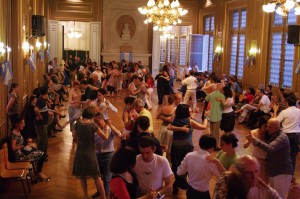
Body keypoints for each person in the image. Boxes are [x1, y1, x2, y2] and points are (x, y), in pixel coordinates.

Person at [246, 118, 293, 198]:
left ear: (277, 128)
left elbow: (270, 148)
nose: (267, 129)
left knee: (279, 196)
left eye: (270, 127)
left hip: (282, 171)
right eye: (267, 126)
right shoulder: (275, 135)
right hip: (275, 171)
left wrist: (255, 140)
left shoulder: (281, 138)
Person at [167, 104, 208, 195]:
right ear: (186, 113)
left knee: (177, 166)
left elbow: (169, 127)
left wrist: (179, 128)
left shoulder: (175, 119)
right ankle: (185, 186)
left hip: (176, 146)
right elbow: (203, 127)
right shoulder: (189, 121)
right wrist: (206, 118)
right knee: (187, 166)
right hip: (187, 146)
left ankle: (177, 185)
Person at [72, 106, 108, 199]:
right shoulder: (93, 126)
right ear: (92, 116)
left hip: (79, 153)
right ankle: (104, 197)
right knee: (97, 176)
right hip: (90, 153)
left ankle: (85, 196)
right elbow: (105, 137)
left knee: (82, 176)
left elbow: (74, 136)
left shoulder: (77, 124)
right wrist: (106, 128)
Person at [177, 134, 224, 199]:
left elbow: (179, 172)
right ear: (212, 148)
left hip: (190, 191)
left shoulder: (189, 155)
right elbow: (223, 177)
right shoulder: (211, 162)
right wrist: (217, 162)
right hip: (203, 194)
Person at [213, 155, 281, 199]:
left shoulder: (266, 191)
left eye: (256, 171)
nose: (254, 177)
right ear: (239, 173)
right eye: (248, 173)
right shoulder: (226, 184)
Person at [92, 113, 122, 198]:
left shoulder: (109, 128)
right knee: (97, 176)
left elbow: (119, 135)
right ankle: (100, 192)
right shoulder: (95, 129)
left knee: (107, 178)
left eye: (97, 121)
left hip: (109, 155)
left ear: (102, 119)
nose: (96, 123)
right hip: (97, 154)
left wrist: (110, 125)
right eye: (94, 122)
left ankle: (106, 195)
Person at [274, 92, 300, 173]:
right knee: (293, 155)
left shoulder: (285, 112)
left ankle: (281, 171)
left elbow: (275, 122)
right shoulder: (299, 111)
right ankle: (290, 174)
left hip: (286, 135)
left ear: (287, 102)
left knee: (282, 153)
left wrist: (275, 111)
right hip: (296, 136)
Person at [243, 116, 270, 183]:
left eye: (268, 126)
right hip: (256, 159)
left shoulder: (270, 133)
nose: (267, 128)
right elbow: (245, 146)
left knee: (266, 181)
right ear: (260, 125)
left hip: (267, 160)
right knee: (255, 180)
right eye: (265, 126)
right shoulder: (254, 132)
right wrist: (249, 141)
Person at [33, 86, 51, 181]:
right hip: (41, 126)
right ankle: (38, 171)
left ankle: (39, 169)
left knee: (44, 145)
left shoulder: (41, 99)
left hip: (42, 126)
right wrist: (39, 115)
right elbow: (36, 109)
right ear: (46, 92)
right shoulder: (40, 100)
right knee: (42, 146)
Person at [157, 95, 176, 161]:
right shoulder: (175, 109)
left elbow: (157, 116)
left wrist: (163, 117)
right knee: (169, 147)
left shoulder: (163, 108)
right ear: (174, 101)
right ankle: (168, 161)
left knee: (161, 145)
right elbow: (172, 120)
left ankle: (160, 160)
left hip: (163, 128)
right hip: (170, 129)